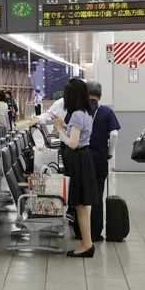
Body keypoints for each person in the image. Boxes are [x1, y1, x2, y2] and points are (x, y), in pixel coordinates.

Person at [52, 78, 98, 258]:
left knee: (80, 204)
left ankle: (87, 244)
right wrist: (65, 126)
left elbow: (72, 143)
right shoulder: (85, 112)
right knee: (81, 204)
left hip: (78, 160)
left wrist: (60, 130)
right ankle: (87, 243)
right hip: (81, 159)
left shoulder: (77, 114)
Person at [72, 81, 120, 242]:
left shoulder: (77, 112)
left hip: (80, 159)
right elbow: (114, 134)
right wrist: (109, 152)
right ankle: (95, 232)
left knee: (79, 196)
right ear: (100, 96)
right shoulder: (106, 111)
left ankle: (80, 231)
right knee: (97, 195)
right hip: (99, 159)